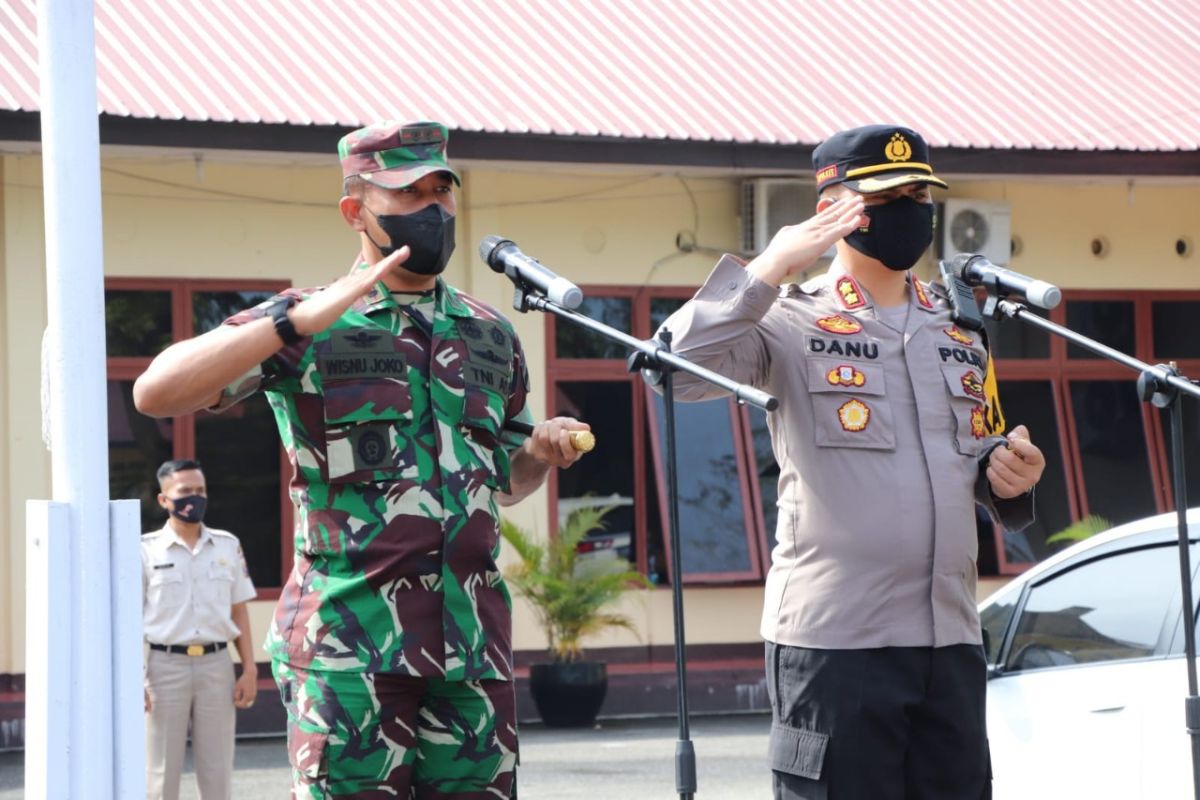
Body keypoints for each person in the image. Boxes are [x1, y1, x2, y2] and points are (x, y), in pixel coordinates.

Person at [133, 120, 588, 798]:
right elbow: (156, 391)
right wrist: (291, 324)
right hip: (349, 648)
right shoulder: (309, 321)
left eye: (442, 189)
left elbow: (503, 482)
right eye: (409, 194)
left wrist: (539, 455)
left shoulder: (489, 333)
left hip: (471, 648)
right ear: (357, 211)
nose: (434, 209)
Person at [658, 124, 1046, 799]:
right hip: (837, 643)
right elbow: (672, 373)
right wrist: (767, 270)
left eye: (920, 191)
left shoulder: (958, 328)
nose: (911, 207)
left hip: (950, 638)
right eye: (889, 194)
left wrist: (1009, 475)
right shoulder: (785, 318)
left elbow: (976, 453)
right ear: (831, 208)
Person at [142, 458, 258, 800]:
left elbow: (239, 611)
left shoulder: (226, 545)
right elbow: (132, 619)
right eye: (185, 491)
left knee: (217, 769)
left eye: (200, 490)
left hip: (216, 666)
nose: (194, 497)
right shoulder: (145, 551)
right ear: (164, 500)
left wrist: (249, 668)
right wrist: (136, 677)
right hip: (163, 668)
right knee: (161, 771)